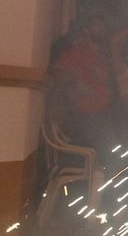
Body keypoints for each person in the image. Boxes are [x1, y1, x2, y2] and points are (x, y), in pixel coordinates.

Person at [46, 15, 113, 149]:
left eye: (102, 26)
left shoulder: (103, 54)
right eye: (96, 25)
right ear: (86, 30)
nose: (100, 29)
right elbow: (57, 72)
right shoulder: (78, 51)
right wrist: (76, 83)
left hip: (101, 115)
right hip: (84, 117)